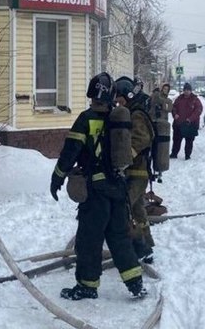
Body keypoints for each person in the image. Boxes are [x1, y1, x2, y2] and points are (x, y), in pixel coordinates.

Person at [50, 72, 147, 300]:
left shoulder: (86, 119)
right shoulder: (118, 119)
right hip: (118, 189)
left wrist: (57, 178)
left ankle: (87, 285)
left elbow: (70, 152)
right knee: (119, 237)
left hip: (96, 192)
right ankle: (135, 282)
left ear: (91, 94)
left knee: (88, 239)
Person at [115, 76, 156, 264]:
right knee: (138, 209)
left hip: (138, 172)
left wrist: (124, 157)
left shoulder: (136, 114)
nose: (118, 102)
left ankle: (138, 248)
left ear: (129, 96)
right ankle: (147, 245)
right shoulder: (128, 111)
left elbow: (142, 138)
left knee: (122, 207)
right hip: (132, 171)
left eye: (120, 99)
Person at [170, 82, 203, 160]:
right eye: (185, 90)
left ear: (191, 91)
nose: (186, 91)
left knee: (189, 141)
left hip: (190, 124)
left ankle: (187, 155)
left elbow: (198, 111)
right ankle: (174, 153)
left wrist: (190, 119)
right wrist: (175, 114)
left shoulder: (195, 99)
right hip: (179, 123)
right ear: (183, 90)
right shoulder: (179, 99)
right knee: (176, 140)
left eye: (188, 90)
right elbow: (174, 107)